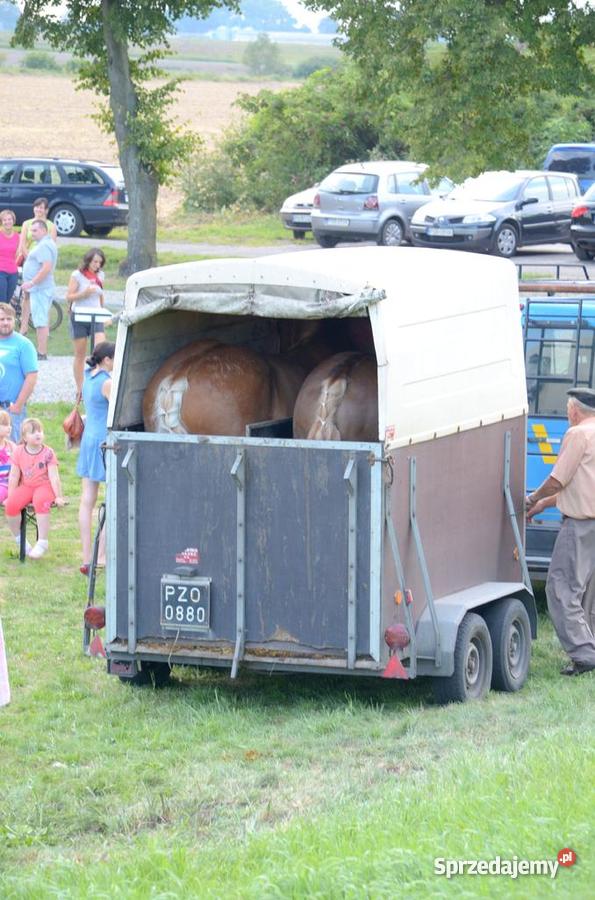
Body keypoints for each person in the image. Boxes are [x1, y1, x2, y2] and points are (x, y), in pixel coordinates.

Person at [526, 387, 595, 676]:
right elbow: (582, 483)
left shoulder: (577, 434)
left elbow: (558, 479)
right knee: (588, 594)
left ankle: (584, 654)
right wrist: (544, 505)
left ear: (574, 411)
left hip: (579, 525)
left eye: (567, 410)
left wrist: (532, 498)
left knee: (560, 587)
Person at [4, 417, 66, 559]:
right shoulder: (18, 451)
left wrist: (58, 496)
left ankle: (42, 541)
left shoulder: (48, 453)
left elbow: (54, 477)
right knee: (11, 506)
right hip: (27, 486)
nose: (38, 434)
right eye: (33, 432)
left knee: (40, 500)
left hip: (44, 486)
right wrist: (10, 496)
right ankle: (20, 540)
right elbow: (13, 476)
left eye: (40, 431)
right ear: (24, 437)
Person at [77, 341, 114, 574]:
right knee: (111, 500)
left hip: (88, 439)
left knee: (86, 500)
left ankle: (86, 554)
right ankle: (101, 556)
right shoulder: (107, 382)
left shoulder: (87, 374)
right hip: (104, 442)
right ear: (107, 360)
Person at [66, 248, 107, 398]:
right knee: (80, 353)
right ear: (88, 261)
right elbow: (69, 296)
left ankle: (97, 385)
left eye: (99, 262)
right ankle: (80, 388)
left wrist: (103, 310)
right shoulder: (77, 275)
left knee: (100, 349)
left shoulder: (101, 275)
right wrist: (84, 293)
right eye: (95, 261)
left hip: (96, 315)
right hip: (80, 315)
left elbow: (101, 294)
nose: (97, 265)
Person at [16, 197, 57, 337]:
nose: (39, 210)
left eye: (42, 207)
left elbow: (51, 245)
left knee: (43, 299)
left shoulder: (50, 226)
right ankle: (24, 326)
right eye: (37, 207)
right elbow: (22, 243)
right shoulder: (27, 223)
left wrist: (37, 261)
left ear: (46, 210)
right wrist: (29, 258)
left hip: (43, 263)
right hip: (29, 259)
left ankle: (45, 327)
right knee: (26, 297)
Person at [0, 302, 38, 441]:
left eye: (9, 319)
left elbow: (31, 377)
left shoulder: (23, 344)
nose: (5, 323)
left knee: (12, 453)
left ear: (15, 321)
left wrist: (18, 405)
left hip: (11, 408)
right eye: (1, 319)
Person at [21, 219, 58, 360]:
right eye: (31, 230)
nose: (32, 233)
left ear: (43, 230)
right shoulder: (44, 244)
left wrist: (31, 282)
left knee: (40, 320)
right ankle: (41, 350)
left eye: (35, 230)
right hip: (40, 288)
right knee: (40, 318)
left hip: (40, 289)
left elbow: (46, 267)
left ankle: (41, 352)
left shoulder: (44, 246)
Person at [0, 210, 19, 303]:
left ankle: (5, 317)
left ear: (13, 220)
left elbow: (19, 254)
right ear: (1, 222)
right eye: (4, 220)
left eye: (9, 219)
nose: (7, 222)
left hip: (13, 272)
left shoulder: (17, 236)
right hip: (0, 271)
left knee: (7, 301)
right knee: (2, 300)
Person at [0, 409, 14, 506]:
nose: (9, 427)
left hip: (6, 484)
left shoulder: (12, 447)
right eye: (5, 424)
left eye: (9, 424)